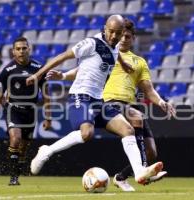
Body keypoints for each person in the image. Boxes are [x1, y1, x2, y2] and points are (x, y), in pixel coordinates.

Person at [26, 15, 164, 185]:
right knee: (87, 133)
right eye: (111, 32)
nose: (114, 36)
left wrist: (125, 64)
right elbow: (62, 57)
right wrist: (37, 75)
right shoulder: (91, 44)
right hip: (80, 96)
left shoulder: (114, 47)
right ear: (104, 28)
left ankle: (139, 172)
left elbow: (113, 53)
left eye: (118, 33)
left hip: (99, 100)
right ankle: (47, 151)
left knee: (128, 130)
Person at [0, 37, 52, 186]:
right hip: (13, 110)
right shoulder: (7, 71)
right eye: (18, 49)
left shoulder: (39, 69)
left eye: (24, 48)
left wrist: (48, 117)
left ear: (29, 49)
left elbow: (46, 95)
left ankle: (18, 169)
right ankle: (13, 177)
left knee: (23, 147)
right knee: (15, 139)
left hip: (30, 112)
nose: (21, 51)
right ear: (13, 52)